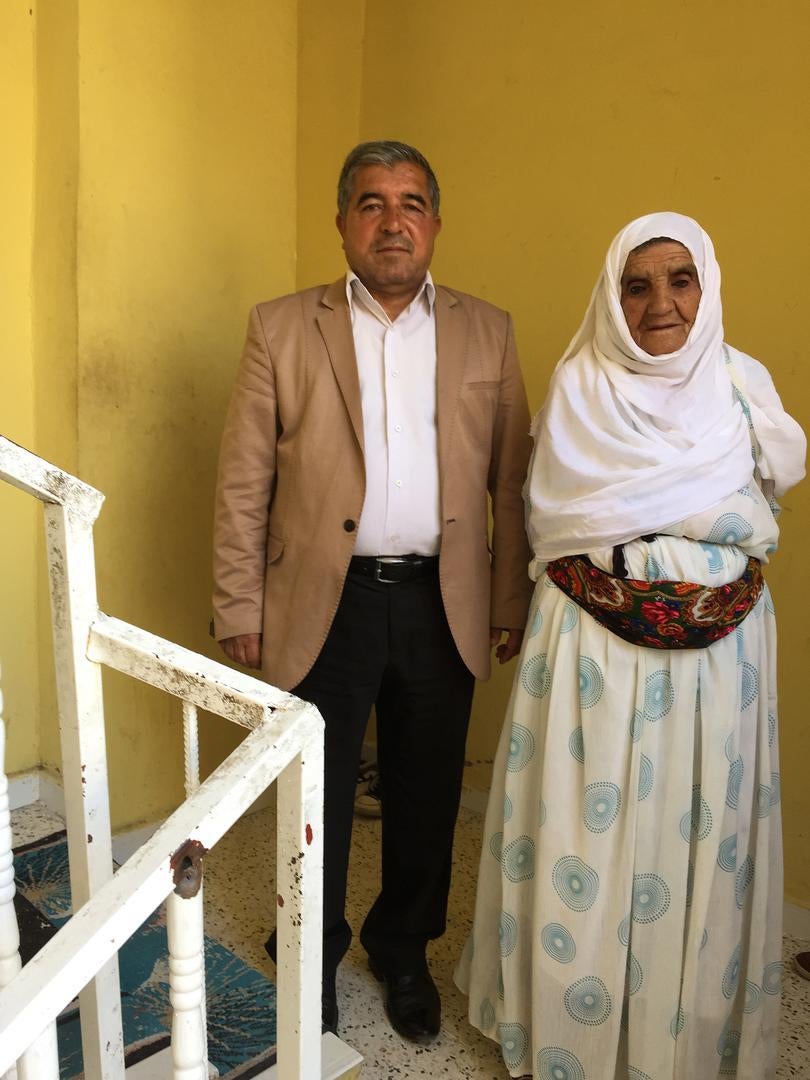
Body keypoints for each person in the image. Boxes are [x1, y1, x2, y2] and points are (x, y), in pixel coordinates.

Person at [456, 212, 805, 1079]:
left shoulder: (742, 384)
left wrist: (701, 530)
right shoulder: (581, 386)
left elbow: (769, 499)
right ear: (612, 299)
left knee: (702, 828)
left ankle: (688, 1036)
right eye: (636, 284)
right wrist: (708, 519)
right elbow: (558, 522)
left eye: (680, 279)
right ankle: (574, 1030)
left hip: (723, 661)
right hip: (593, 650)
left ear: (707, 287)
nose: (661, 302)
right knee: (592, 828)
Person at [212, 140, 532, 1042]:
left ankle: (402, 948)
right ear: (343, 221)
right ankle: (310, 948)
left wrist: (509, 599)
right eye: (371, 203)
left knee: (426, 791)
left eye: (411, 203)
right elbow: (243, 482)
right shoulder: (282, 326)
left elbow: (511, 481)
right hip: (325, 601)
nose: (393, 222)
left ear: (435, 221)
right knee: (311, 792)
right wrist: (240, 603)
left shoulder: (488, 330)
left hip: (445, 602)